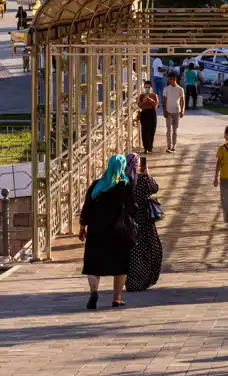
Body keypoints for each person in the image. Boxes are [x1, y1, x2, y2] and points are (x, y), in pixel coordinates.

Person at [79, 154, 136, 309]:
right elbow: (132, 208)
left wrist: (82, 226)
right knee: (120, 265)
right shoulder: (125, 185)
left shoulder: (97, 185)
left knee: (93, 264)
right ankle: (116, 298)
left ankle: (94, 292)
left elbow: (87, 206)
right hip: (118, 232)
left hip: (96, 230)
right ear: (122, 167)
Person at [124, 153, 163, 292]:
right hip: (145, 220)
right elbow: (155, 188)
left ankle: (132, 281)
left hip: (128, 221)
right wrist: (147, 173)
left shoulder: (122, 181)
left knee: (133, 251)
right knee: (150, 249)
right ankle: (145, 279)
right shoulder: (144, 179)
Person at [160, 72, 185, 153]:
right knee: (169, 129)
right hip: (168, 111)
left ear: (174, 79)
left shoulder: (180, 89)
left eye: (170, 79)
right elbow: (164, 100)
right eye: (169, 79)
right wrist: (164, 111)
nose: (169, 80)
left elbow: (182, 100)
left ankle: (174, 146)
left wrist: (182, 111)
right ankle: (168, 146)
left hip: (177, 111)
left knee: (175, 130)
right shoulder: (166, 89)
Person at [135, 82, 159, 153]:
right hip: (144, 113)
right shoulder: (142, 96)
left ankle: (150, 147)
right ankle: (145, 147)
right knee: (145, 131)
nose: (147, 89)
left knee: (152, 131)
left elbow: (156, 106)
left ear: (151, 88)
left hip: (152, 113)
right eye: (146, 87)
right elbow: (140, 106)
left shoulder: (154, 95)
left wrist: (151, 101)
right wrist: (144, 102)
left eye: (148, 87)